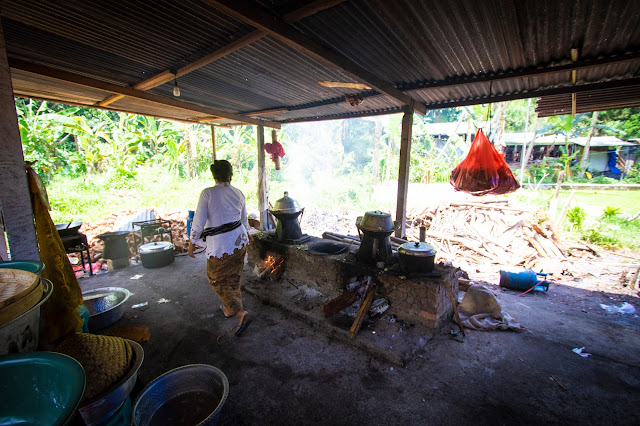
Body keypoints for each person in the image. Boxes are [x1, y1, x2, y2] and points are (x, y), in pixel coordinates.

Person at [188, 160, 253, 336]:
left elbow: (198, 221)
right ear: (230, 176)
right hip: (239, 241)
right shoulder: (238, 193)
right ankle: (229, 308)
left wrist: (192, 242)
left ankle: (240, 313)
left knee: (216, 279)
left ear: (214, 176)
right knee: (233, 277)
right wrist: (249, 234)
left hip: (221, 245)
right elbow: (244, 219)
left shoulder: (207, 193)